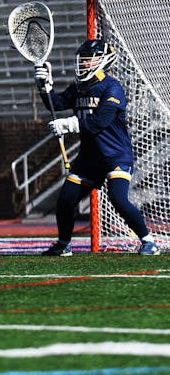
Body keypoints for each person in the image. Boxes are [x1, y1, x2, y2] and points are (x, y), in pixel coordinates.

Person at [34, 39, 159, 256]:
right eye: (81, 59)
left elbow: (98, 122)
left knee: (118, 198)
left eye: (88, 59)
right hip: (89, 160)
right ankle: (64, 245)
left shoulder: (112, 87)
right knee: (65, 200)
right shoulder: (79, 88)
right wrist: (45, 87)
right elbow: (57, 104)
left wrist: (68, 124)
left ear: (104, 61)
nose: (83, 63)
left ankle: (148, 241)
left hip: (115, 156)